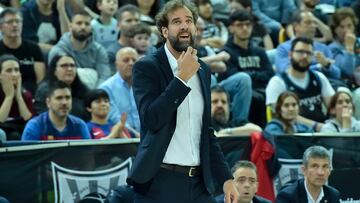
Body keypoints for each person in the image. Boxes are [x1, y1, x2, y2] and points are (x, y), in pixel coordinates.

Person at [126, 0, 239, 203]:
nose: (184, 26)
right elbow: (152, 119)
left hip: (198, 184)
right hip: (160, 183)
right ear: (164, 31)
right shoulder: (147, 67)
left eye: (189, 21)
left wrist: (226, 178)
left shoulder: (203, 69)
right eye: (176, 21)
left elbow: (207, 132)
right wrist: (181, 79)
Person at [266, 37, 335, 131]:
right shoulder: (277, 82)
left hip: (322, 132)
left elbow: (334, 108)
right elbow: (281, 115)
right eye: (300, 52)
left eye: (309, 53)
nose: (304, 56)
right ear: (290, 54)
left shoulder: (319, 77)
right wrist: (316, 126)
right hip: (294, 134)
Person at [222, 10, 274, 127]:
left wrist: (250, 74)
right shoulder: (226, 52)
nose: (245, 28)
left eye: (248, 24)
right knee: (244, 79)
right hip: (237, 93)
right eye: (240, 25)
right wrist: (256, 75)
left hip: (260, 91)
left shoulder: (259, 51)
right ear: (231, 28)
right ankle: (239, 124)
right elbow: (233, 77)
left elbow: (270, 75)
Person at [48, 11, 111, 88]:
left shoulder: (99, 50)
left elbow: (104, 77)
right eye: (79, 23)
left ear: (91, 28)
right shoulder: (58, 51)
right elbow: (59, 78)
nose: (83, 27)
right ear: (70, 27)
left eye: (87, 24)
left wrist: (95, 95)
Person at [275, 10, 341, 82]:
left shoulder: (323, 48)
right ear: (296, 26)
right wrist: (318, 66)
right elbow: (286, 70)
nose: (313, 26)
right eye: (308, 23)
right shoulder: (284, 48)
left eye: (314, 23)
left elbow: (337, 74)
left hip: (321, 85)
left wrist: (326, 64)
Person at [22, 81, 91, 141]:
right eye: (59, 98)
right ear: (48, 102)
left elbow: (88, 154)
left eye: (68, 97)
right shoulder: (35, 126)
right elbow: (28, 155)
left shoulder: (80, 125)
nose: (64, 102)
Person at [0, 7, 46, 95]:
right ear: (1, 27)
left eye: (18, 21)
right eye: (10, 22)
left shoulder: (34, 48)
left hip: (31, 95)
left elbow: (40, 80)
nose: (14, 25)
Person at [275, 145, 340, 203]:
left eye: (325, 166)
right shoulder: (287, 196)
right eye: (315, 166)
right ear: (304, 170)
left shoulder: (333, 195)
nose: (321, 172)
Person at [98, 47, 141, 135]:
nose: (131, 63)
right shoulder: (106, 88)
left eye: (134, 60)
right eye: (126, 60)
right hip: (120, 138)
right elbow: (115, 119)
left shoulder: (146, 85)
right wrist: (135, 135)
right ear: (116, 64)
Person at [34, 54, 89, 120]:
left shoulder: (82, 89)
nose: (69, 69)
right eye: (64, 66)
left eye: (72, 65)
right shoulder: (45, 89)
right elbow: (42, 116)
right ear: (54, 71)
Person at [0, 54, 34, 140]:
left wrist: (19, 96)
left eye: (16, 70)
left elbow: (29, 122)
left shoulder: (26, 95)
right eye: (9, 70)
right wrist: (9, 96)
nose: (14, 74)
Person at [328, 7, 360, 86]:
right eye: (342, 27)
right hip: (349, 87)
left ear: (354, 26)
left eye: (349, 26)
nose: (346, 30)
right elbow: (347, 72)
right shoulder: (332, 49)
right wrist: (349, 48)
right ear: (335, 29)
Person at [106, 4, 140, 72]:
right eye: (129, 21)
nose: (134, 24)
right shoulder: (111, 53)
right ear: (118, 25)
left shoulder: (150, 49)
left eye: (136, 20)